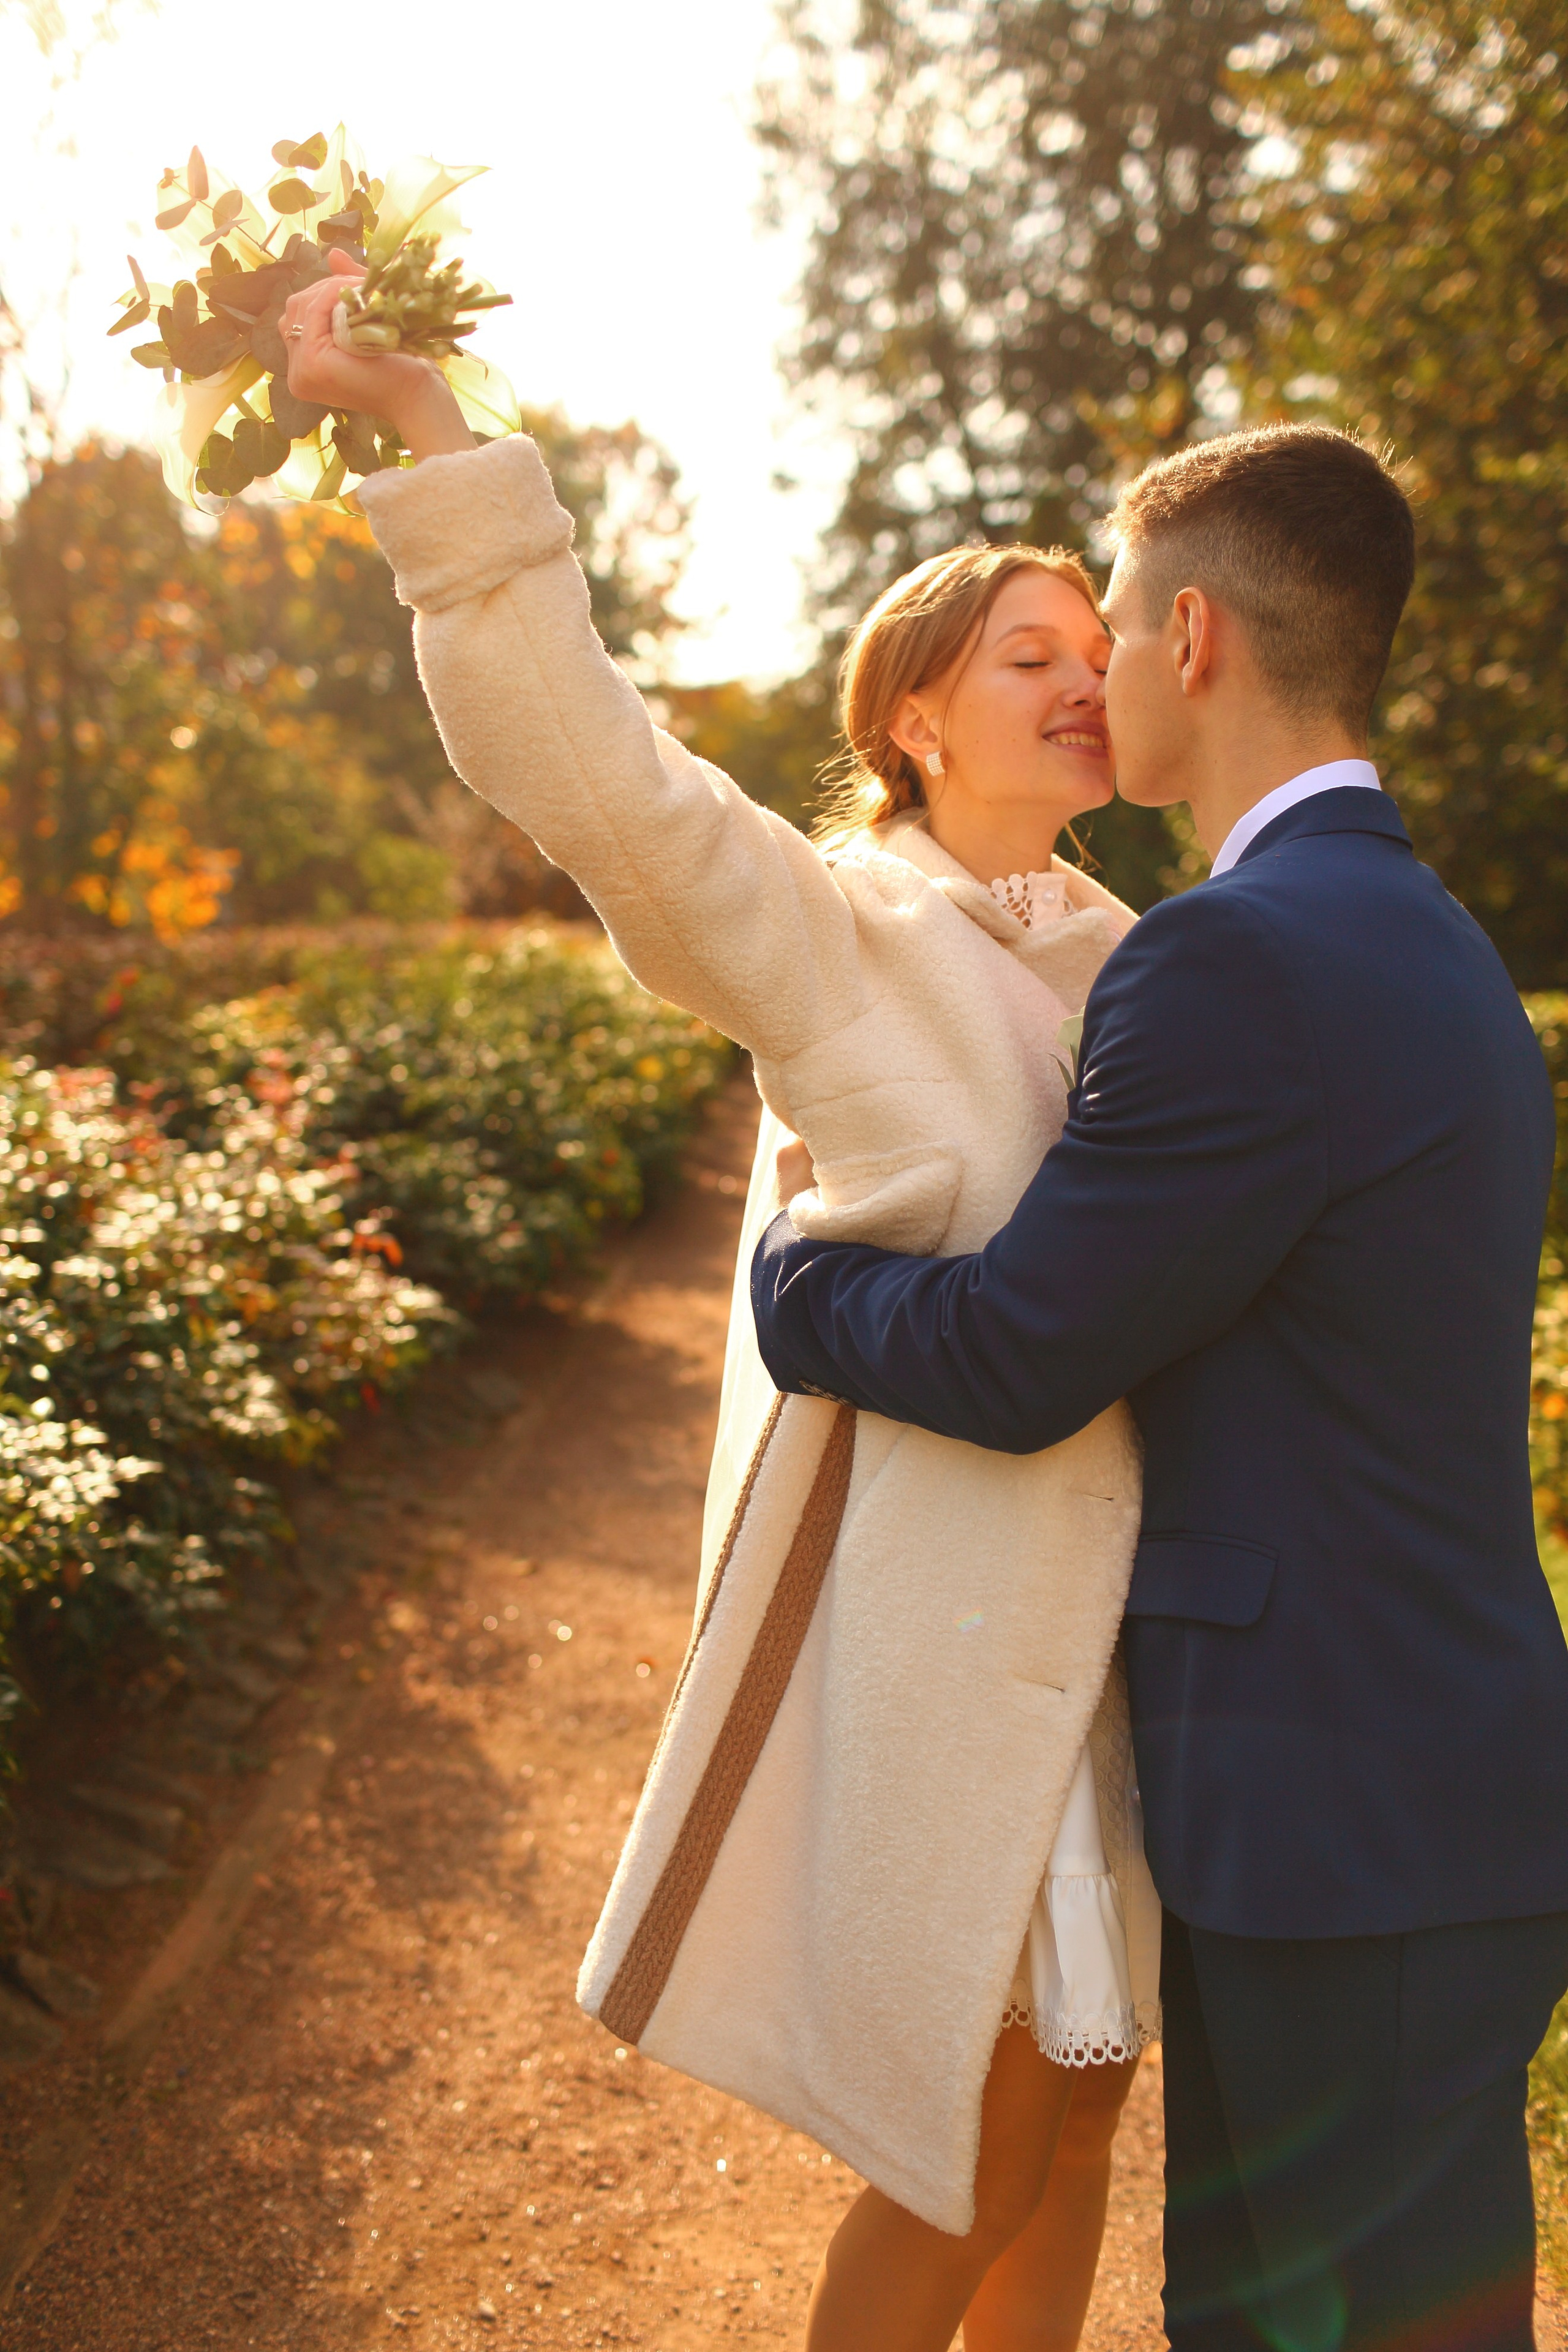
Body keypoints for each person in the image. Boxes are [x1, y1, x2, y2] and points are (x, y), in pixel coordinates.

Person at [284, 250, 1156, 2351]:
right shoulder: (837, 929)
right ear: (912, 719)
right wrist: (433, 441)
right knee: (963, 2156)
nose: (1081, 675)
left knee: (1084, 2142)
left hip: (1141, 1648)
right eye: (1024, 651)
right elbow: (595, 773)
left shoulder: (1153, 952)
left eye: (1096, 647)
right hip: (956, 1653)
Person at [751, 423, 1568, 2352]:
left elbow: (1022, 1350)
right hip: (1443, 1776)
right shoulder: (1435, 938)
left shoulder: (1234, 957)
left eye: (1110, 623)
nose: (1099, 670)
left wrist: (806, 1284)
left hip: (1327, 1817)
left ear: (1191, 638)